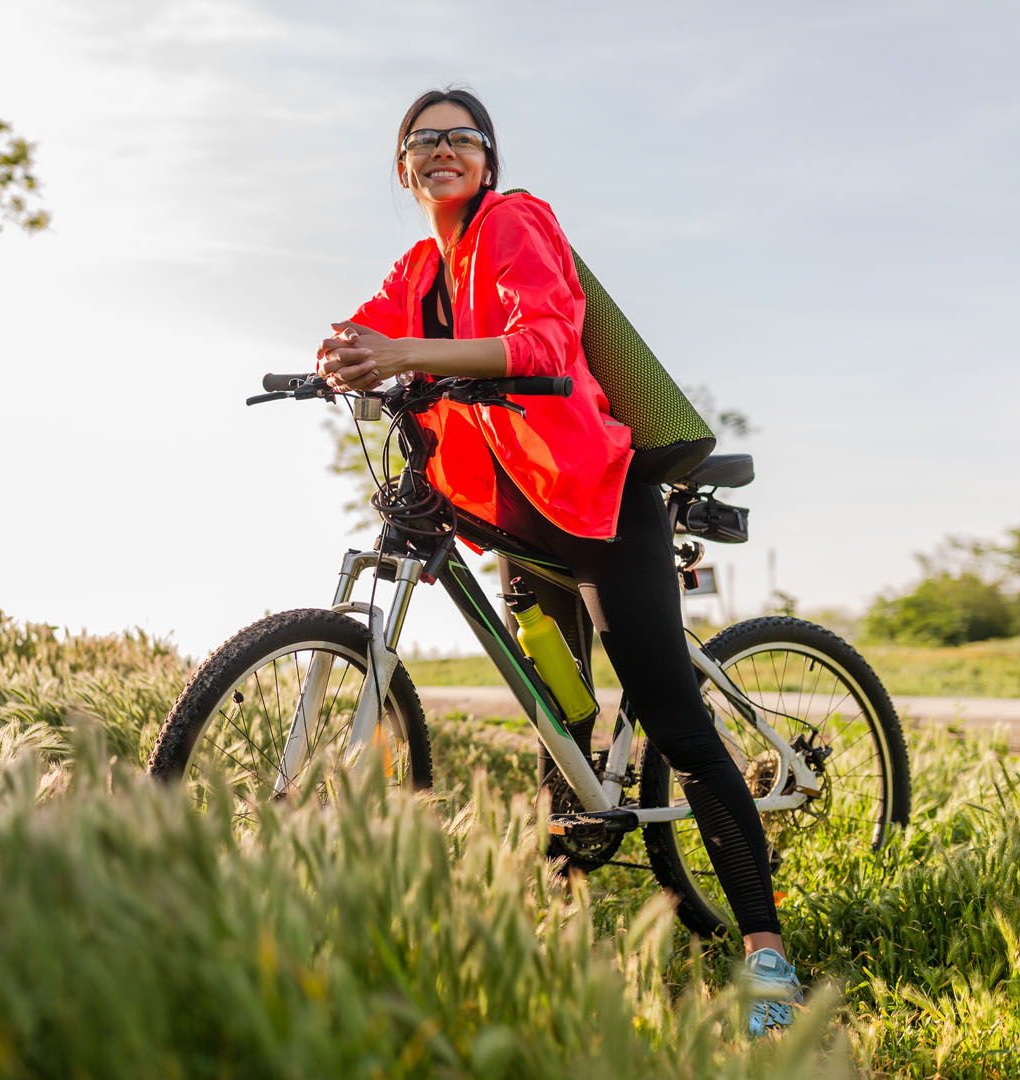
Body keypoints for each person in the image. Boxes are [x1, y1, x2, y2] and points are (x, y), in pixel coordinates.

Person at [316, 87, 802, 1037]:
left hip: (594, 502)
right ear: (403, 168)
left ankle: (766, 956)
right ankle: (566, 916)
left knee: (670, 716)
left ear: (487, 158)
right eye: (422, 141)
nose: (441, 150)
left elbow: (542, 336)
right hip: (511, 517)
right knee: (558, 721)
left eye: (460, 137)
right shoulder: (421, 262)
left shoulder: (516, 221)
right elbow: (369, 326)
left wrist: (406, 352)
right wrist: (338, 356)